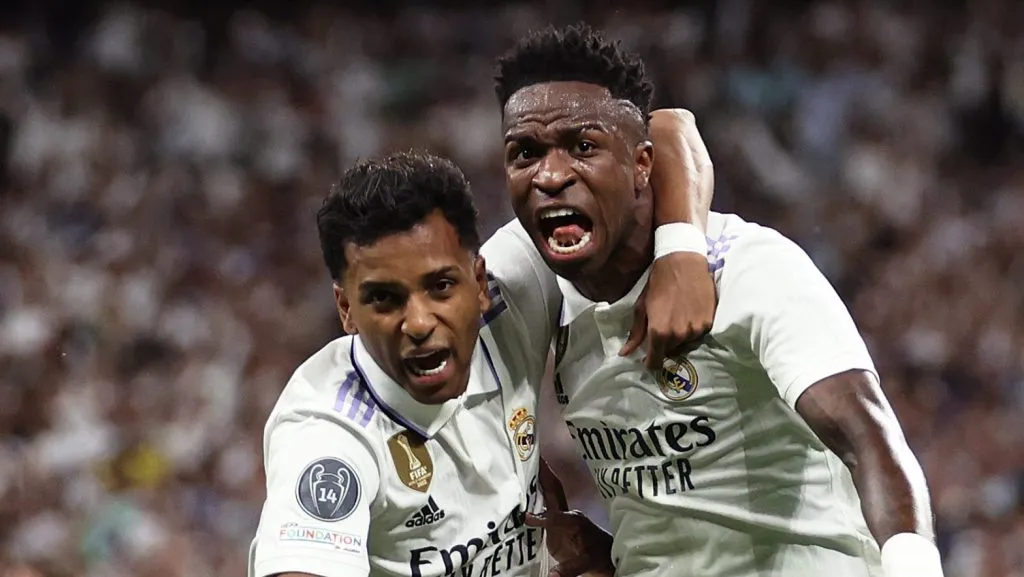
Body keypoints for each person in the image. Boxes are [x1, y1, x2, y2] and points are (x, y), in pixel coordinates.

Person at [493, 23, 944, 577]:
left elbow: (867, 436)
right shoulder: (535, 287)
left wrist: (914, 566)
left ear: (642, 166)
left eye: (583, 147)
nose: (552, 174)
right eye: (525, 153)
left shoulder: (752, 269)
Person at [247, 105, 716, 577]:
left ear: (478, 279)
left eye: (441, 286)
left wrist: (682, 252)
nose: (418, 322)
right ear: (345, 309)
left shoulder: (511, 292)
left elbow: (667, 128)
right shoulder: (329, 431)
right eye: (384, 299)